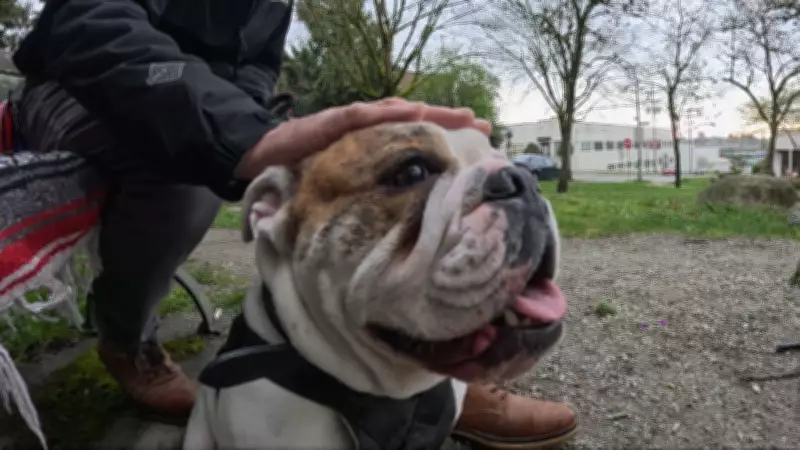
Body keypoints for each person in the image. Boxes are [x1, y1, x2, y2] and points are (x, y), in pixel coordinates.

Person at [11, 0, 577, 447]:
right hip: (78, 88)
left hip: (209, 107)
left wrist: (288, 132)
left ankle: (423, 363)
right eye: (413, 174)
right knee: (185, 168)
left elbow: (253, 74)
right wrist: (246, 135)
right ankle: (127, 339)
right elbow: (87, 21)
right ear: (263, 213)